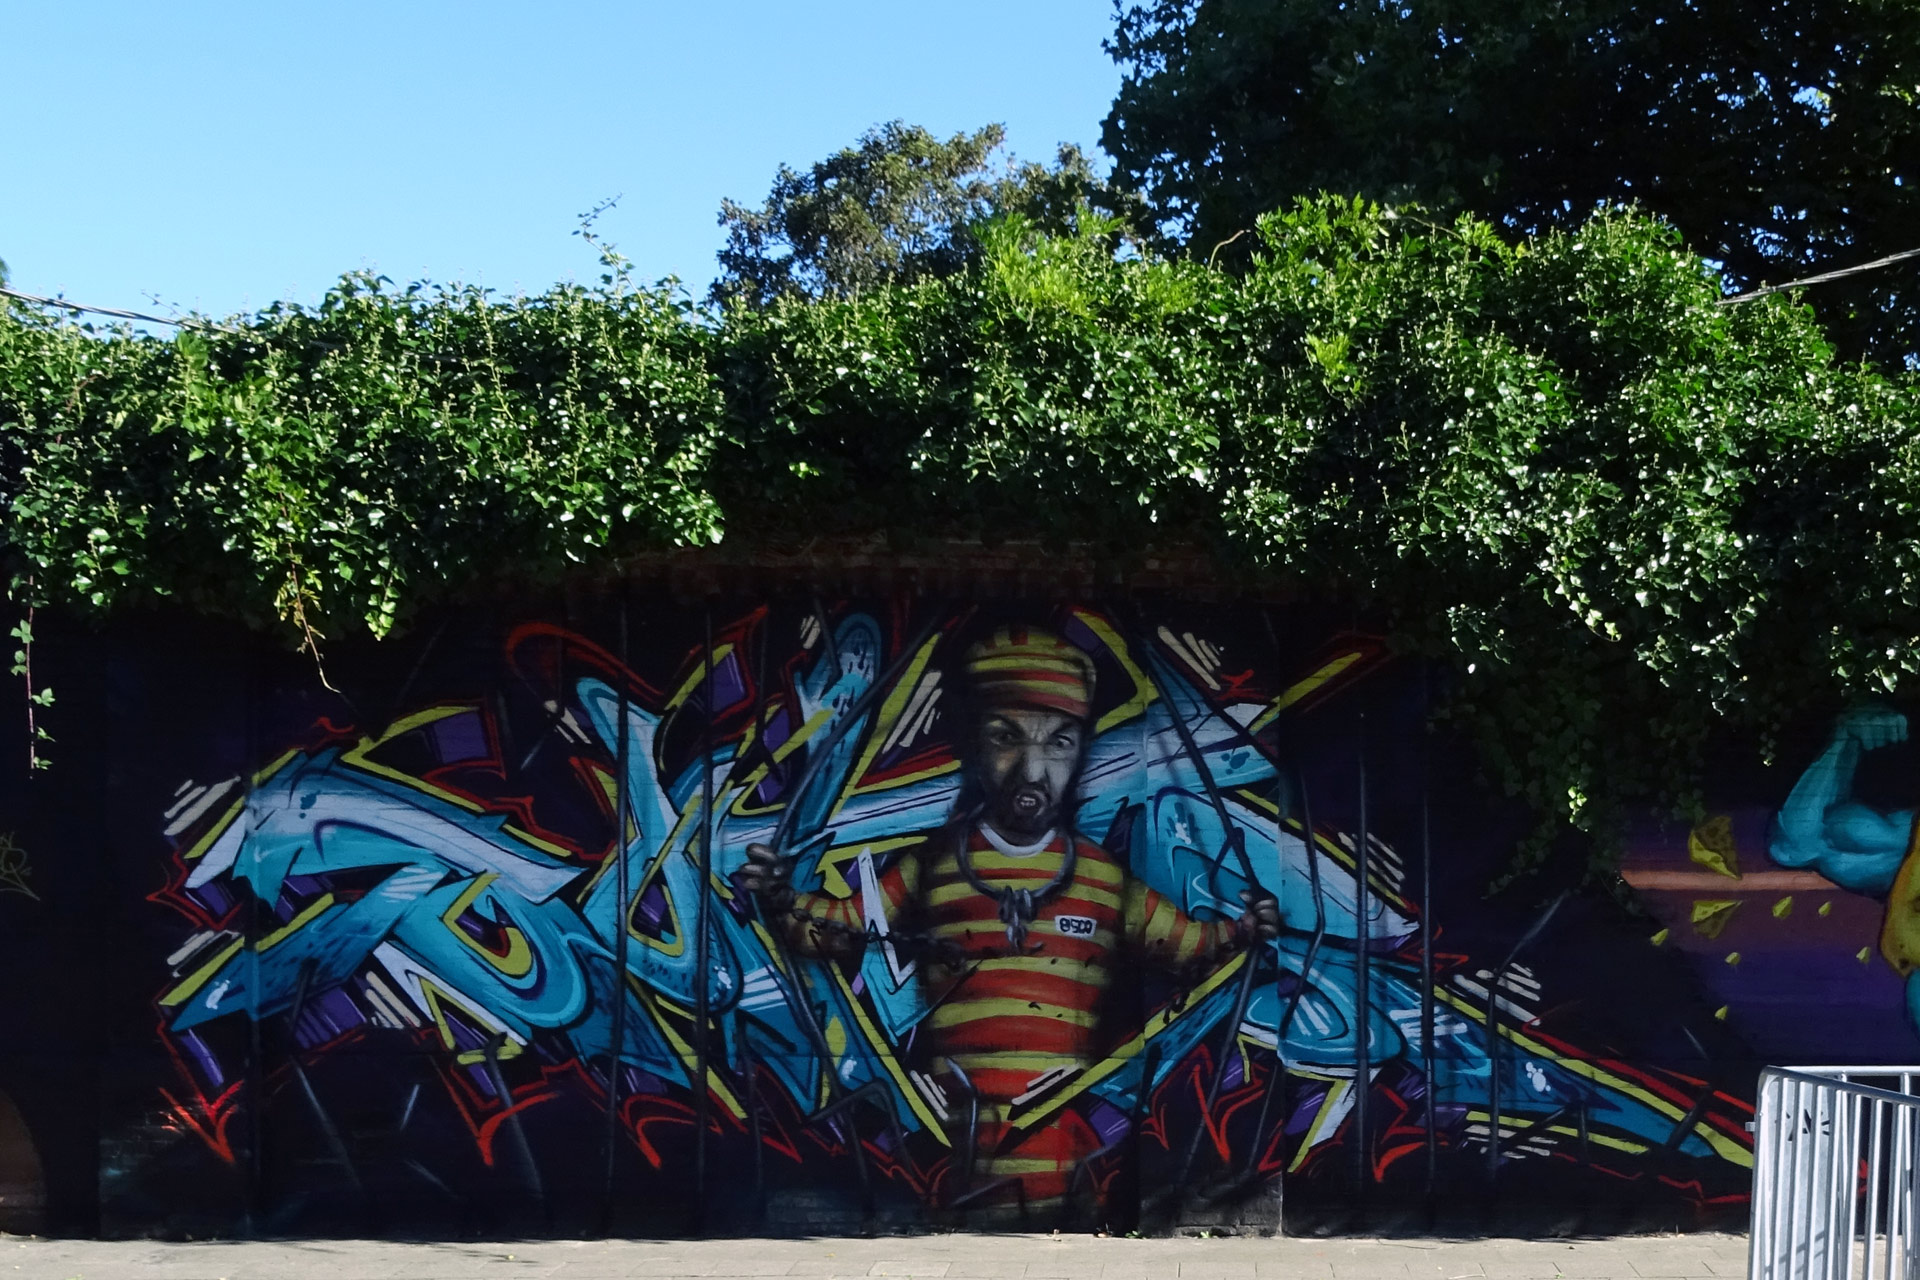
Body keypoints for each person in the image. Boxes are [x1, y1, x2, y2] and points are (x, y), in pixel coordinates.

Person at [741, 625, 1282, 1213]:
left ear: (1081, 749)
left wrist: (1244, 931)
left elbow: (1191, 948)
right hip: (948, 1172)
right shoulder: (934, 865)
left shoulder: (1102, 879)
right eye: (1006, 737)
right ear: (974, 743)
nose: (1032, 770)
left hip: (1068, 1177)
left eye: (1059, 743)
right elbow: (839, 928)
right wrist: (780, 898)